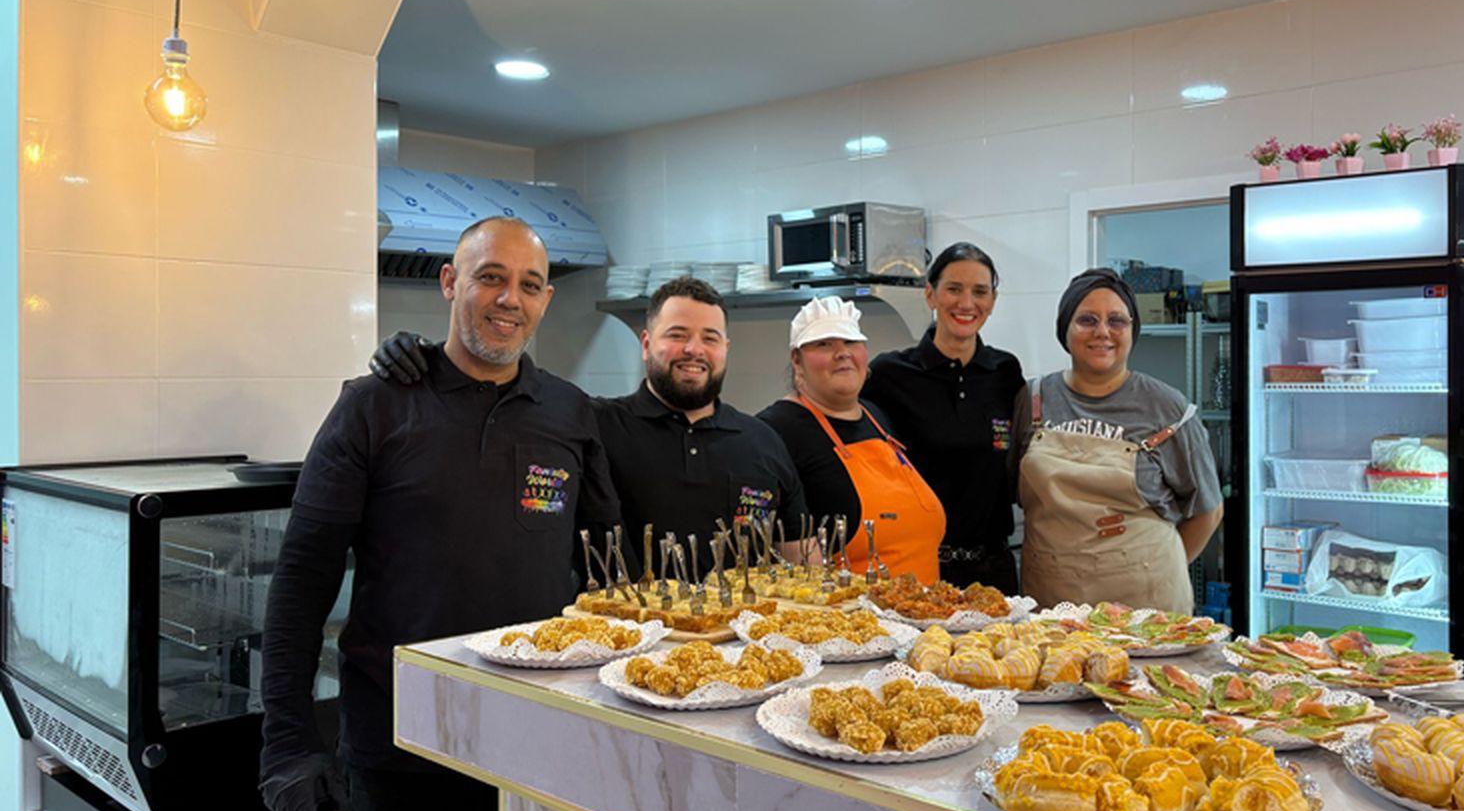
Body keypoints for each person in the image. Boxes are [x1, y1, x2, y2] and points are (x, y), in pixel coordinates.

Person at [259, 216, 619, 811]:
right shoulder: (374, 405)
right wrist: (289, 740)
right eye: (489, 276)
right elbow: (303, 578)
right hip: (402, 751)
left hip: (532, 747)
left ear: (547, 299)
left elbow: (602, 574)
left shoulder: (570, 413)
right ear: (451, 283)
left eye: (526, 284)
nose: (507, 299)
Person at [371, 276, 806, 564]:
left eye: (709, 338)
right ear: (646, 342)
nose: (694, 349)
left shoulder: (762, 441)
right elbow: (492, 400)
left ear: (725, 348)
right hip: (615, 655)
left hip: (746, 660)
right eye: (677, 335)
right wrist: (424, 358)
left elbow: (798, 561)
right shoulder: (588, 421)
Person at [1011, 267, 1222, 612]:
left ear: (1132, 331)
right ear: (1064, 329)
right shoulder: (1034, 398)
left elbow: (1209, 512)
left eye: (1117, 321)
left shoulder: (1168, 408)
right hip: (1051, 597)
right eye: (1087, 320)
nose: (1102, 332)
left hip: (1143, 604)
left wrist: (1157, 565)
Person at [862, 242, 1025, 592]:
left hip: (994, 572)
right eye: (953, 289)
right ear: (930, 295)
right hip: (918, 572)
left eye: (979, 291)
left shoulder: (1005, 372)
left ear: (992, 301)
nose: (966, 303)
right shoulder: (890, 374)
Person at [758, 295, 945, 583]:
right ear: (797, 359)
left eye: (851, 342)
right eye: (824, 344)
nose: (842, 352)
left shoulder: (876, 416)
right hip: (854, 620)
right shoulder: (775, 431)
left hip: (927, 616)